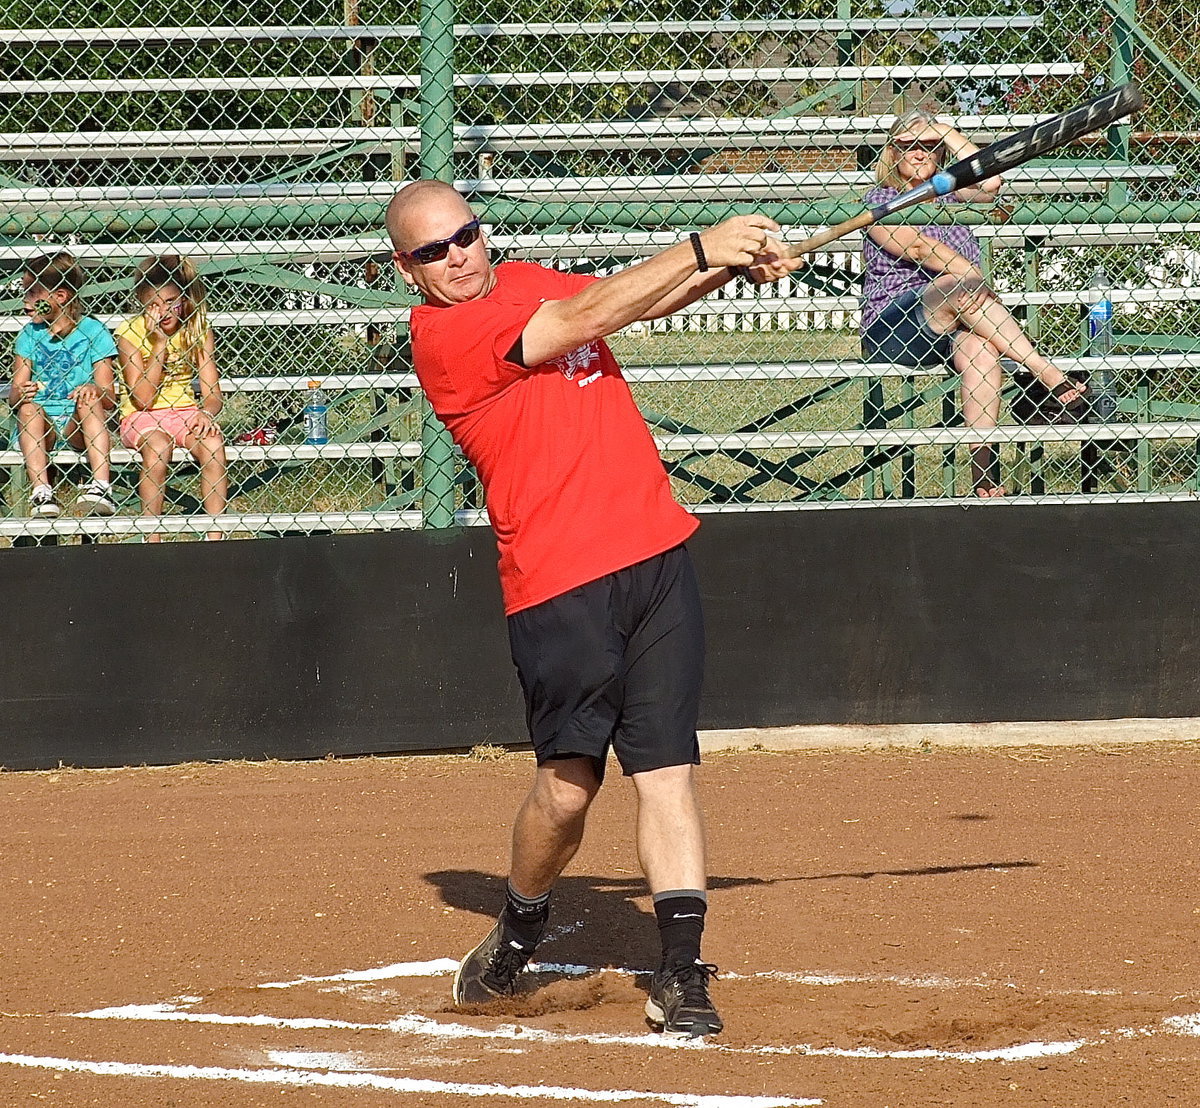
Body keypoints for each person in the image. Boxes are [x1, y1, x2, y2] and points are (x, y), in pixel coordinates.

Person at [386, 180, 801, 1038]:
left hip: (654, 554)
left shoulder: (524, 279)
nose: (459, 254)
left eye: (465, 234)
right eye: (434, 250)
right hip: (558, 585)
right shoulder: (446, 336)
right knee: (567, 793)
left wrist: (733, 268)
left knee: (667, 772)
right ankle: (521, 922)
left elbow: (627, 304)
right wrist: (701, 246)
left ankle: (681, 974)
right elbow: (578, 323)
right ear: (407, 270)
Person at [861, 108, 1089, 497]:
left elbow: (991, 183)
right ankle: (1043, 370)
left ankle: (983, 475)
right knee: (958, 285)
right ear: (893, 152)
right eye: (909, 145)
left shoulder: (945, 192)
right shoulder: (881, 199)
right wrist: (972, 274)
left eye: (929, 146)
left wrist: (946, 130)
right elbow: (917, 248)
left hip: (957, 321)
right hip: (894, 325)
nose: (919, 153)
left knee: (983, 350)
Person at [114, 255, 227, 541]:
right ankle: (152, 536)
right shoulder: (130, 333)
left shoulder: (197, 329)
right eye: (154, 304)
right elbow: (143, 398)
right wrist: (160, 345)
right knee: (158, 447)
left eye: (170, 301)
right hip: (142, 417)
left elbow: (213, 394)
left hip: (185, 411)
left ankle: (215, 537)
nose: (163, 311)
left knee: (213, 443)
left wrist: (206, 413)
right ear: (142, 304)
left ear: (183, 299)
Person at [11, 252, 118, 518]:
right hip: (41, 427)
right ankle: (41, 492)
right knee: (28, 410)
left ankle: (102, 486)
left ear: (60, 296)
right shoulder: (28, 335)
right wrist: (21, 393)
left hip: (77, 425)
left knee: (89, 401)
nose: (25, 303)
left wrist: (95, 389)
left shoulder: (94, 332)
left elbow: (109, 397)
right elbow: (14, 395)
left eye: (33, 294)